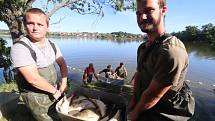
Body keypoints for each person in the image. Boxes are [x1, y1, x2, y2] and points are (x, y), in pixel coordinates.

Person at [128, 0, 195, 121]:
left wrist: (134, 114)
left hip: (161, 113)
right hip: (143, 106)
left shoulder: (171, 51)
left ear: (163, 10)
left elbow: (154, 95)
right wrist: (133, 99)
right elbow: (138, 75)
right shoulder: (143, 47)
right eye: (138, 13)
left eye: (149, 11)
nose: (142, 17)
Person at [10, 8, 68, 121]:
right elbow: (33, 79)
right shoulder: (20, 48)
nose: (35, 28)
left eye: (40, 24)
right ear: (25, 25)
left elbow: (62, 64)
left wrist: (64, 83)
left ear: (47, 27)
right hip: (35, 96)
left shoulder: (52, 44)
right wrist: (55, 91)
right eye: (30, 23)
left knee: (59, 115)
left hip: (53, 89)